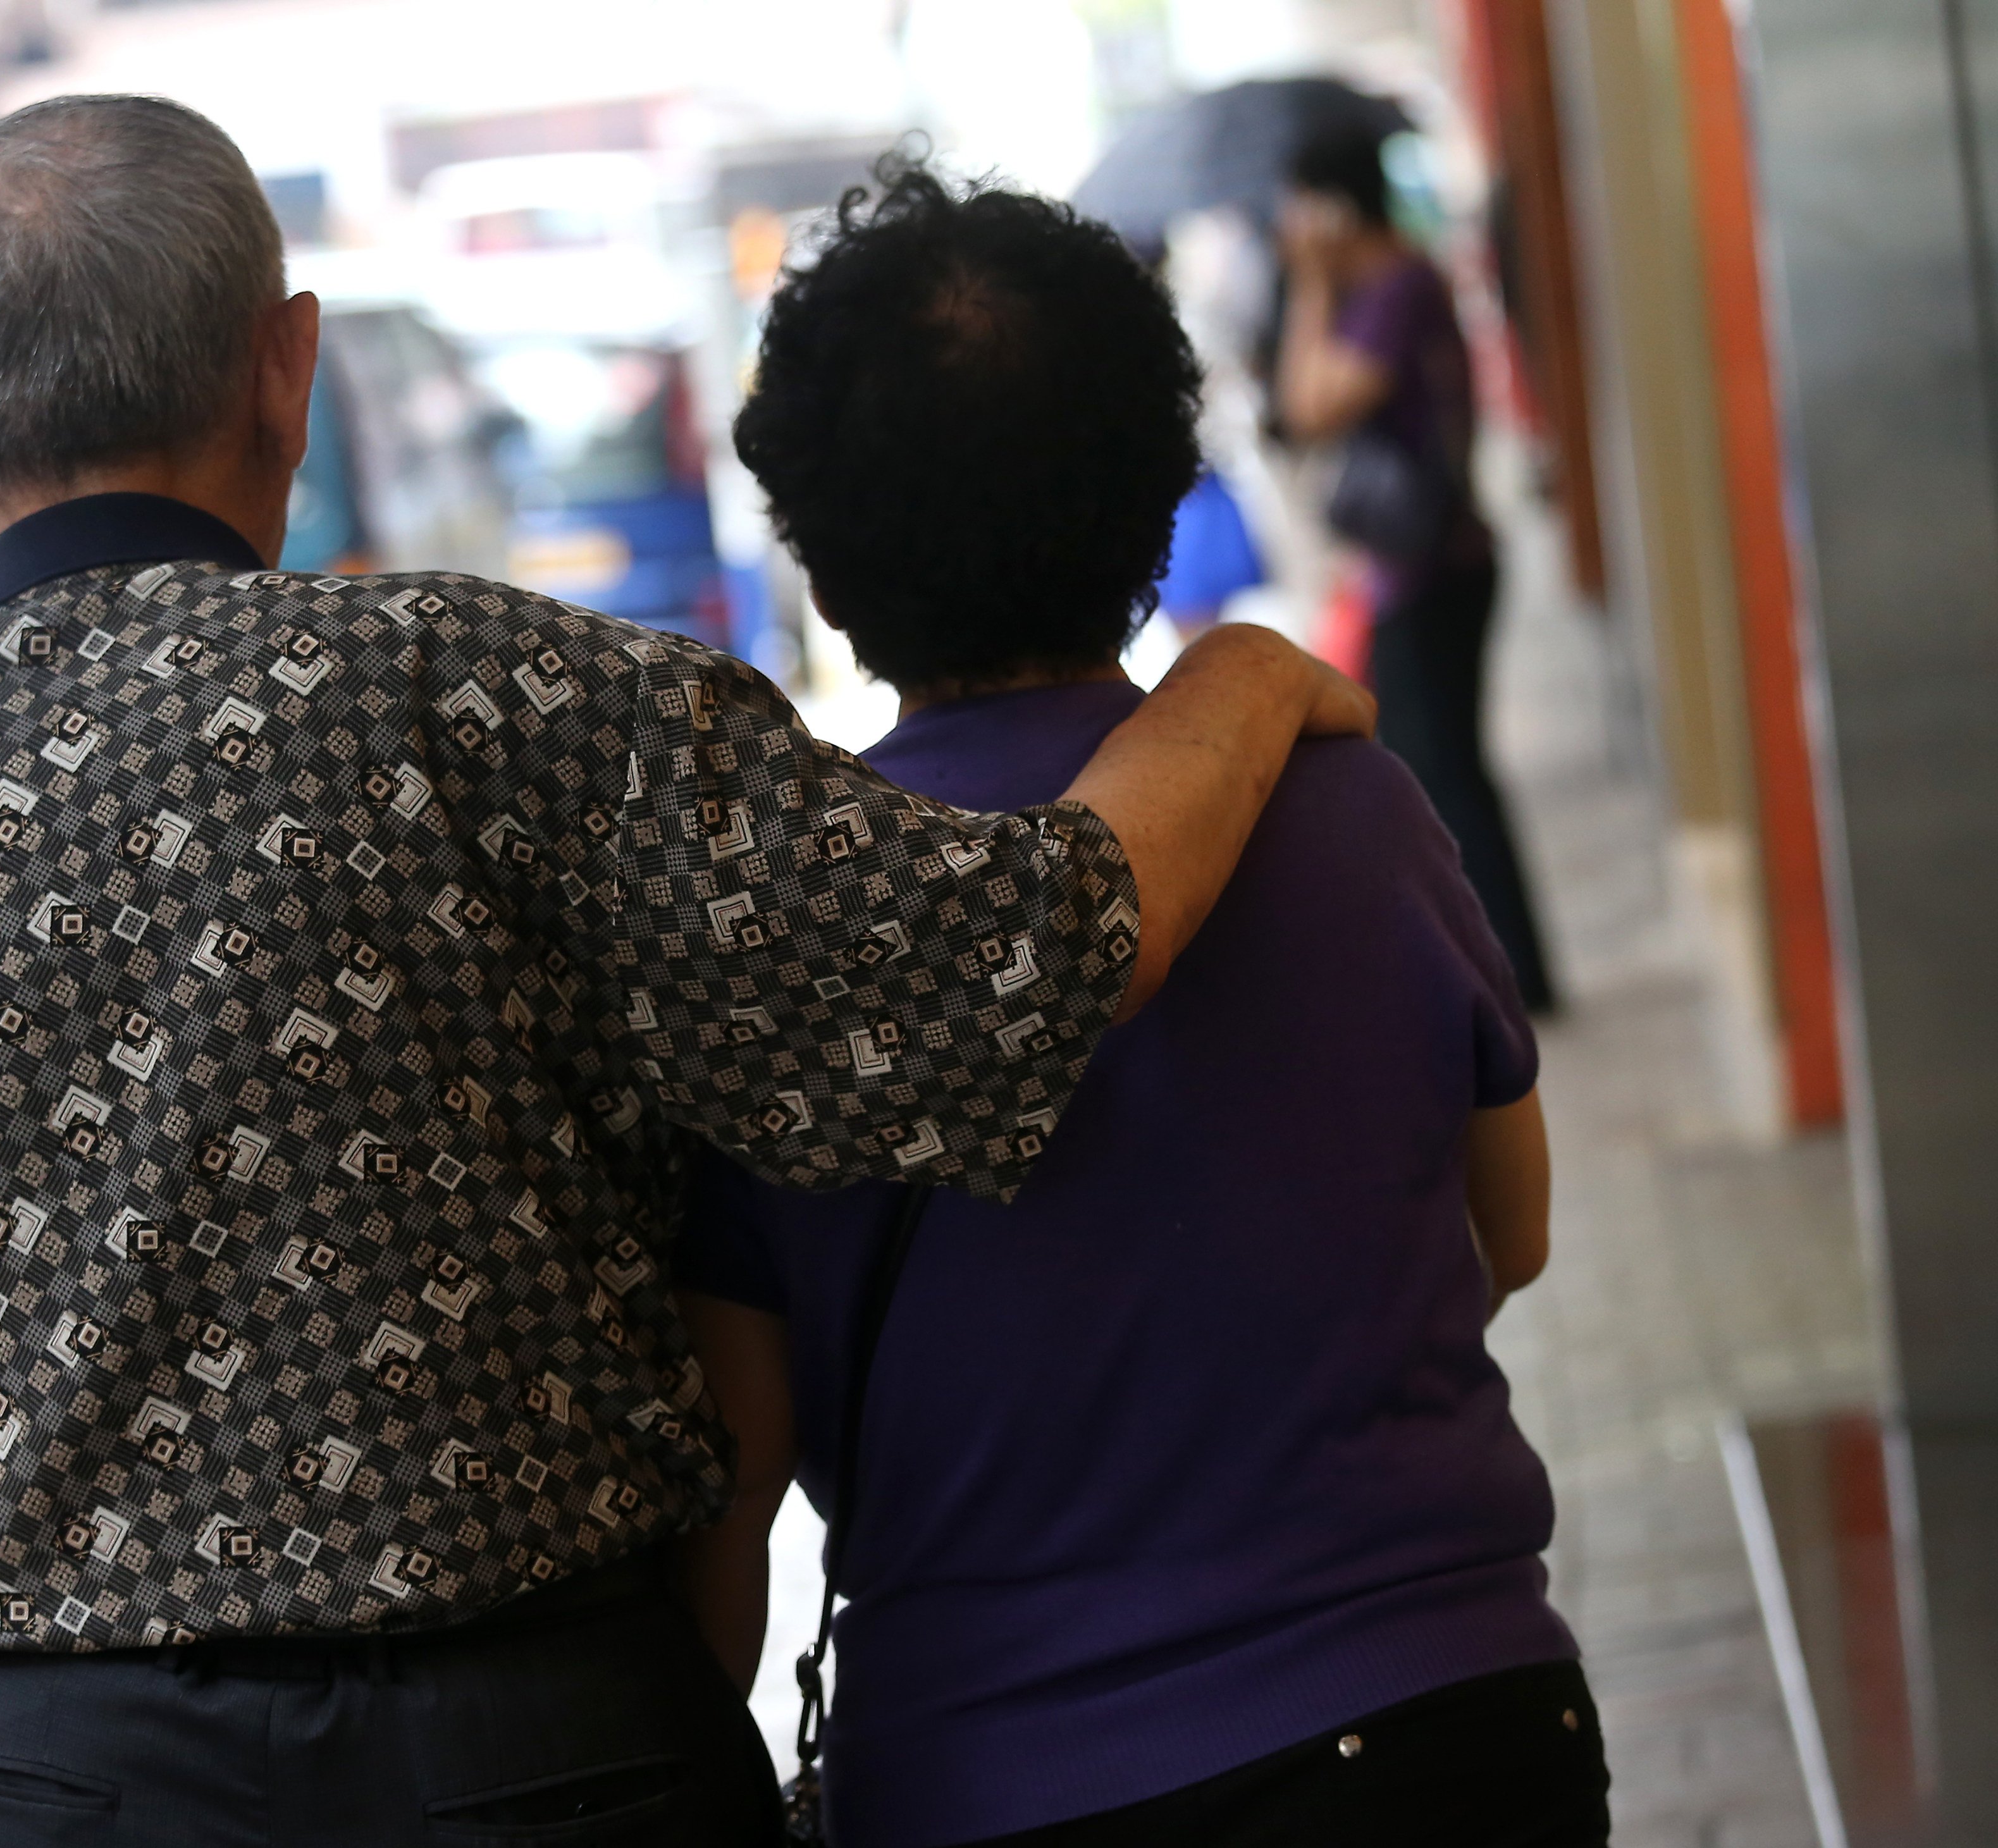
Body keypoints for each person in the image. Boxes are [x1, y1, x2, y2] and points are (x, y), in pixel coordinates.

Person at [0, 99, 1371, 1848]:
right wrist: (1241, 680)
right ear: (290, 369)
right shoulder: (504, 696)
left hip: (30, 1779)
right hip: (530, 1757)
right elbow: (1017, 963)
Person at [675, 164, 1609, 1847]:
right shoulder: (1352, 811)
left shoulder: (779, 933)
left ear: (815, 551)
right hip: (1457, 1723)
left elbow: (740, 1459)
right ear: (1157, 493)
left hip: (1004, 1782)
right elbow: (1514, 1229)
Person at [1276, 124, 1557, 1013]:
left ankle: (1504, 974)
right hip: (1426, 567)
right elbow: (1300, 406)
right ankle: (1502, 970)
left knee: (1443, 778)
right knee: (1442, 770)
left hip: (1432, 572)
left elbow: (1313, 406)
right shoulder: (1391, 286)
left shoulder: (1394, 289)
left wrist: (1311, 286)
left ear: (1328, 204)